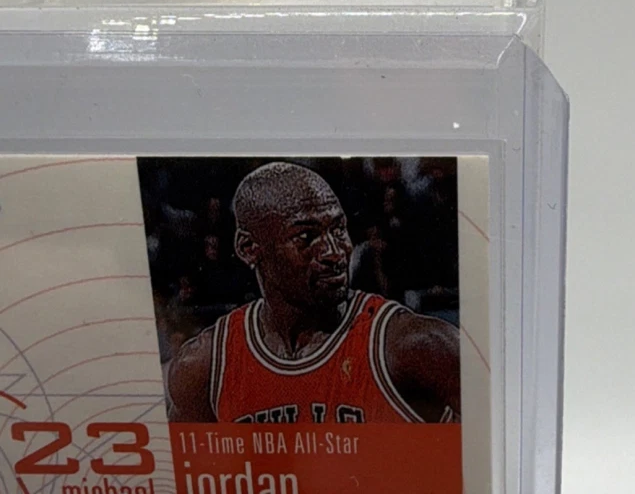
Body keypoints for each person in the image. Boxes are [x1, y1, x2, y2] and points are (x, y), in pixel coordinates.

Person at [165, 162, 460, 425]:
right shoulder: (204, 367)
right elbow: (181, 465)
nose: (335, 252)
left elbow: (484, 450)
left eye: (339, 229)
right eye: (307, 236)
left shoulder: (413, 346)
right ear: (248, 248)